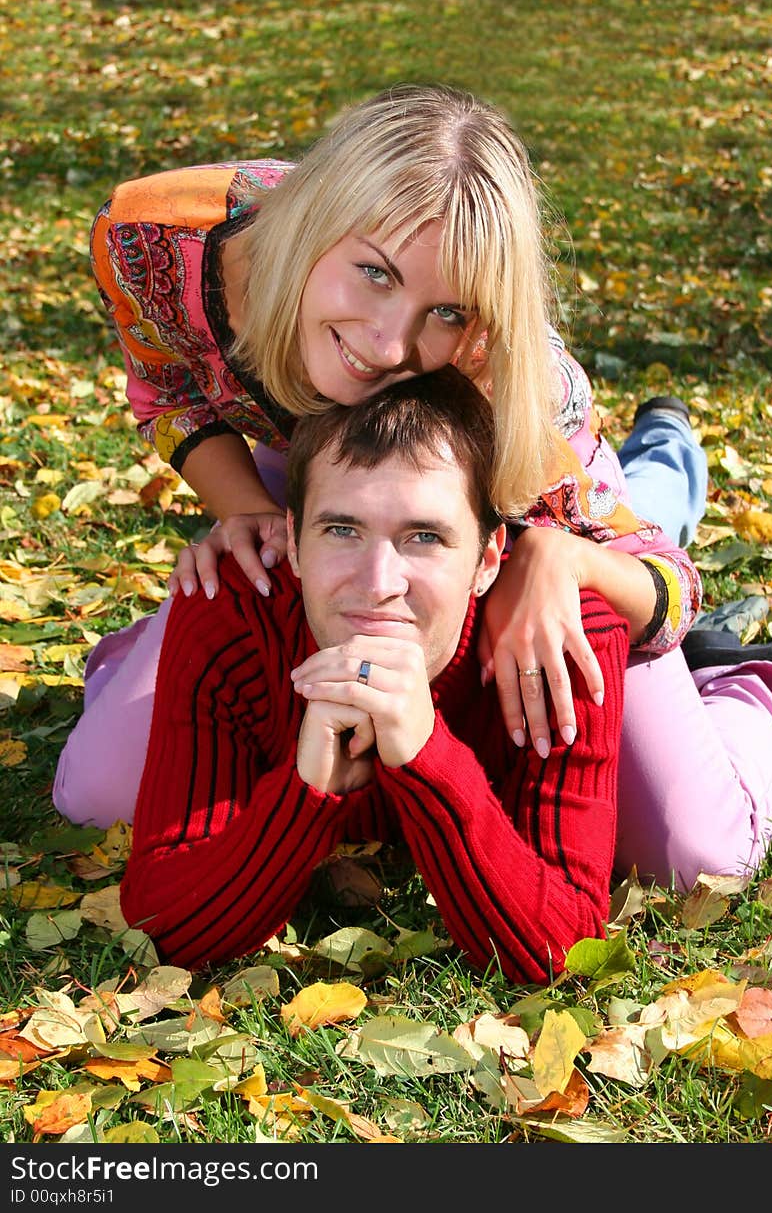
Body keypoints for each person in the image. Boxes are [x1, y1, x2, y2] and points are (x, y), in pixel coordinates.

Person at [56, 81, 772, 894]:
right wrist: (254, 514)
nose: (388, 345)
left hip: (509, 493)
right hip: (321, 472)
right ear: (311, 228)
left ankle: (749, 672)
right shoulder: (154, 236)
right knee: (99, 793)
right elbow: (170, 392)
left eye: (443, 310)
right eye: (373, 274)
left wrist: (559, 558)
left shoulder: (513, 386)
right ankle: (141, 657)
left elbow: (665, 579)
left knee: (694, 853)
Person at [116, 371, 630, 983]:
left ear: (488, 559)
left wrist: (429, 756)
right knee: (94, 785)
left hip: (597, 500)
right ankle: (113, 669)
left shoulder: (564, 646)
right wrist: (307, 794)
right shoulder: (232, 611)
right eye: (342, 530)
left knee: (694, 838)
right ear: (295, 543)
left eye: (425, 537)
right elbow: (157, 916)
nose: (378, 582)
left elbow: (565, 948)